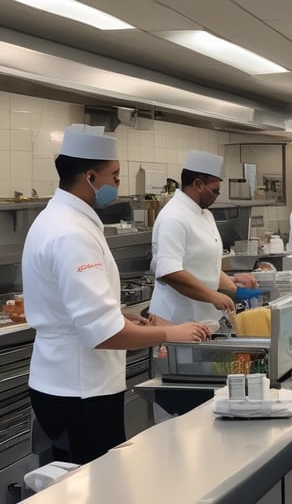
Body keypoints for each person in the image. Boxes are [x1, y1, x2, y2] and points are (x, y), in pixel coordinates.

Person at [22, 125, 208, 465]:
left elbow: (79, 311)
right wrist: (171, 332)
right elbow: (101, 332)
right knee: (92, 486)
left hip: (68, 384)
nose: (118, 185)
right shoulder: (70, 233)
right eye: (115, 175)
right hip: (79, 391)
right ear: (90, 176)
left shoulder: (62, 219)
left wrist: (119, 316)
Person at [149, 151, 259, 323]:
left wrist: (233, 280)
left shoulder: (205, 214)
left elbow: (200, 264)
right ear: (198, 184)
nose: (217, 196)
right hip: (177, 319)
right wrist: (212, 296)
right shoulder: (174, 217)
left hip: (204, 317)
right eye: (215, 191)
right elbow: (169, 271)